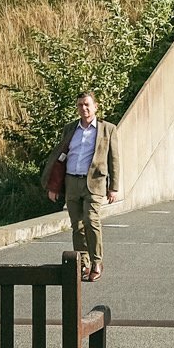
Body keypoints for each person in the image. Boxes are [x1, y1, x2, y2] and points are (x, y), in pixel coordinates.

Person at [50, 90, 121, 282]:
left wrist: (113, 187)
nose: (84, 108)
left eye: (87, 105)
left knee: (91, 220)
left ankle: (97, 261)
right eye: (80, 105)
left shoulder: (108, 129)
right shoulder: (70, 129)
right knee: (77, 226)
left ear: (95, 107)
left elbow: (114, 159)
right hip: (71, 182)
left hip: (95, 183)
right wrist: (54, 186)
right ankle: (82, 263)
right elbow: (60, 158)